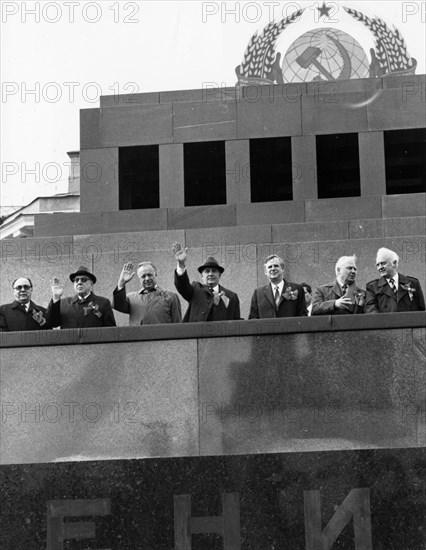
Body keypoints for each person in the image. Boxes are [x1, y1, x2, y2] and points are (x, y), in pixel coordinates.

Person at [172, 242, 240, 322]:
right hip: (197, 333)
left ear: (219, 275)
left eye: (214, 271)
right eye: (207, 271)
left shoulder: (231, 296)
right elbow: (182, 285)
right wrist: (181, 264)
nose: (210, 274)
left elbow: (236, 322)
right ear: (202, 275)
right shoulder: (195, 290)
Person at [113, 261, 182, 325]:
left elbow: (177, 324)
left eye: (150, 275)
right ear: (139, 278)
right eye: (143, 276)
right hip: (139, 337)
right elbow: (118, 306)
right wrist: (121, 283)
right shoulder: (131, 298)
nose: (147, 278)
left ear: (155, 274)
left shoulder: (171, 296)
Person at [47, 266, 116, 328]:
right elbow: (52, 323)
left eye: (84, 279)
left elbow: (111, 330)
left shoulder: (103, 303)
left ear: (91, 285)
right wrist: (56, 297)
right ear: (74, 284)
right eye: (76, 280)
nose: (79, 282)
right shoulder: (63, 303)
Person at [364, 247, 425, 313]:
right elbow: (370, 310)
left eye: (383, 263)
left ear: (394, 263)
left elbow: (421, 310)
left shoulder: (413, 283)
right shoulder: (373, 287)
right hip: (385, 322)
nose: (380, 268)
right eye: (378, 265)